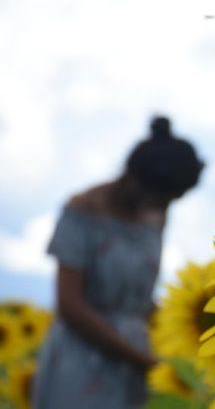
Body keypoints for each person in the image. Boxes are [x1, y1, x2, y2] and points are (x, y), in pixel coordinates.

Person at [33, 116, 205, 409]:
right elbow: (70, 305)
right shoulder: (81, 214)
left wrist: (183, 328)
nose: (165, 207)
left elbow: (142, 298)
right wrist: (140, 358)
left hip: (137, 360)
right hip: (83, 358)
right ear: (136, 180)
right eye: (163, 198)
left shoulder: (155, 217)